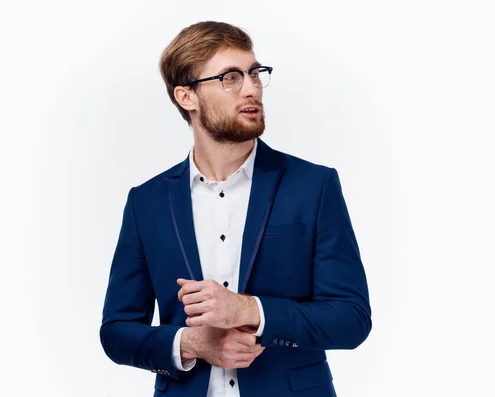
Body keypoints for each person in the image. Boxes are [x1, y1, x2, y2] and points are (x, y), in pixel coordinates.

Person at [100, 21, 371, 397]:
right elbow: (116, 330)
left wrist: (249, 311)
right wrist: (190, 345)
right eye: (230, 77)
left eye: (255, 73)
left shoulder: (314, 186)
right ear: (187, 97)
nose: (251, 88)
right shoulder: (146, 202)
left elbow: (352, 319)